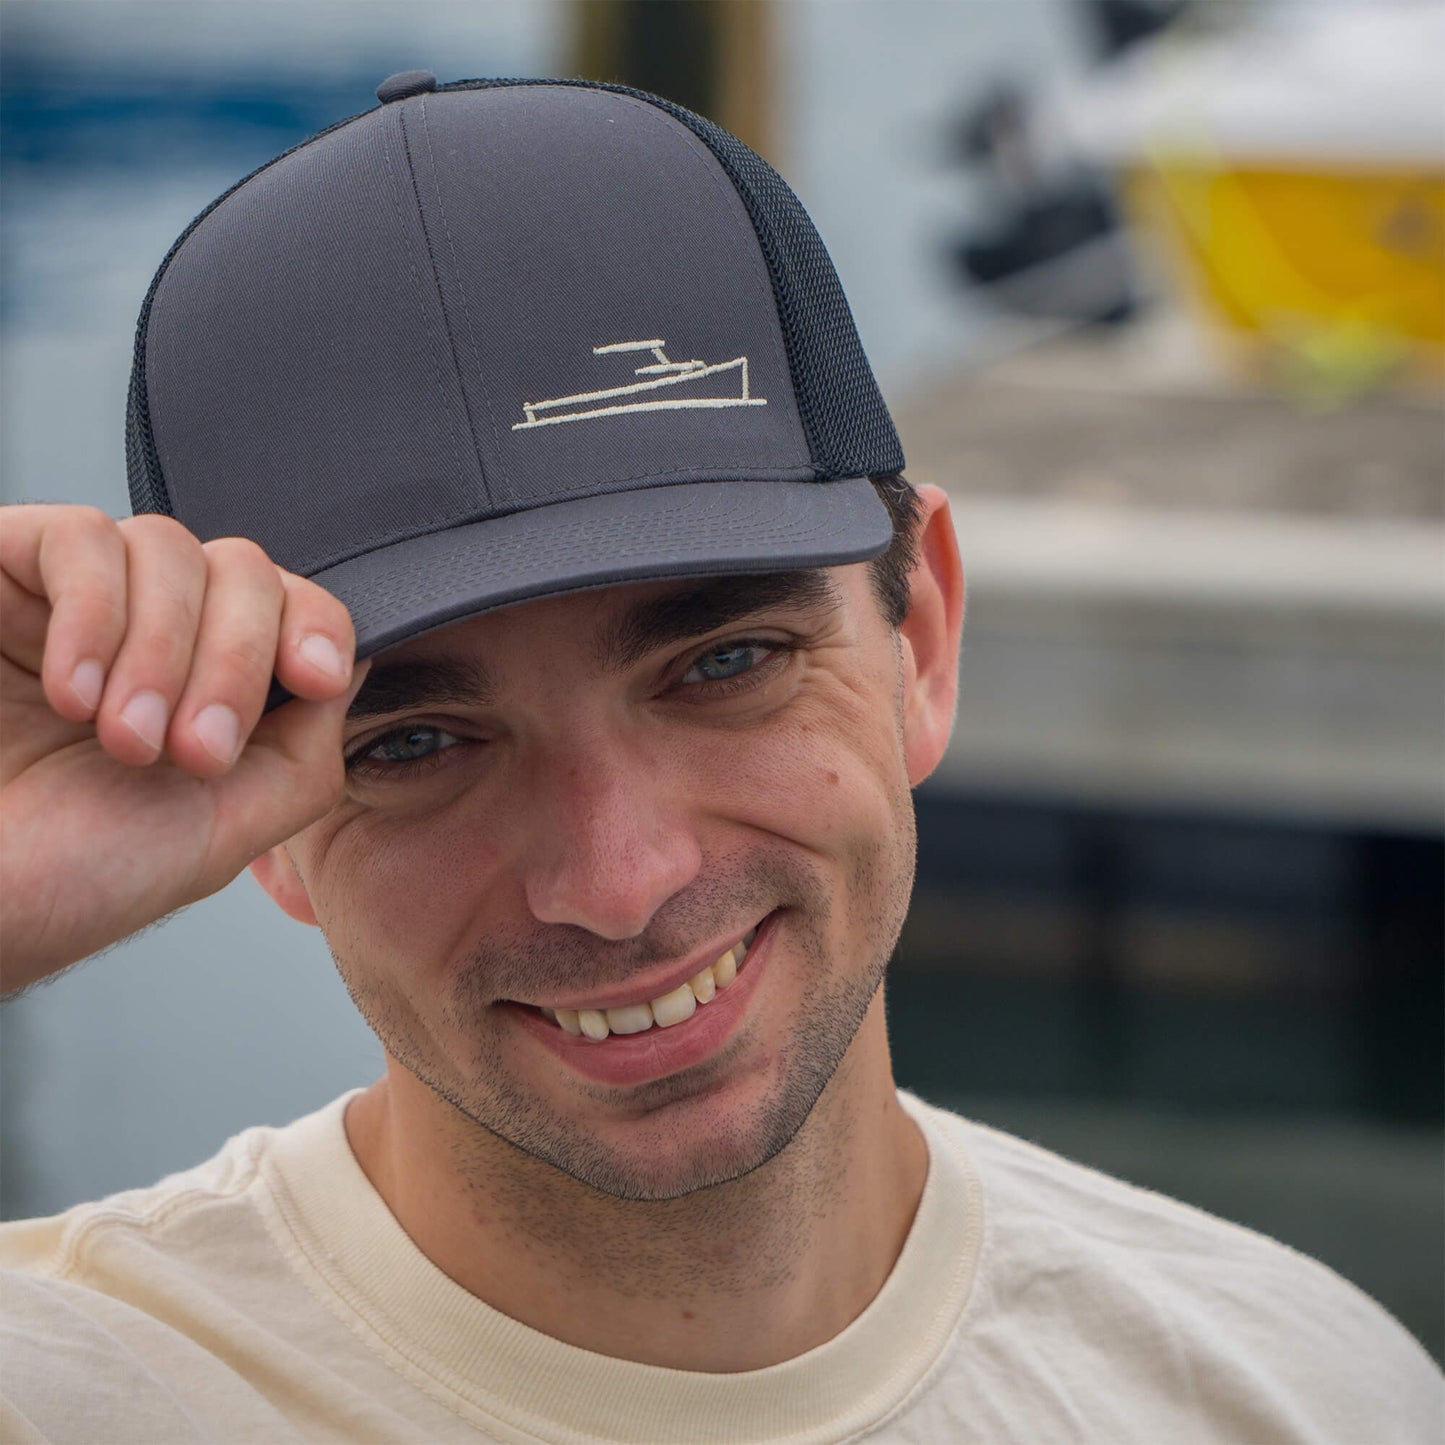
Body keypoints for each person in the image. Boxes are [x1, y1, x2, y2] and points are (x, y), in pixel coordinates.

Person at [0, 74, 1437, 1445]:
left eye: (722, 664)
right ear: (259, 824)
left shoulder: (1297, 1391)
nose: (616, 882)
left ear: (918, 630)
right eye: (418, 739)